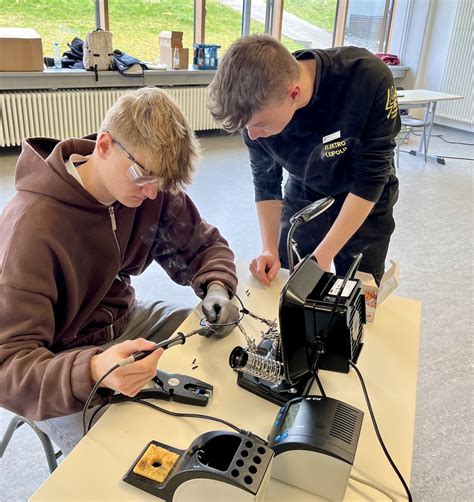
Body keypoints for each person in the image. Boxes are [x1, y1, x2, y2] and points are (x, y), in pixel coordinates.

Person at [0, 87, 239, 455]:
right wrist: (92, 370)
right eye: (143, 177)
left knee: (211, 345)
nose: (150, 195)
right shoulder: (31, 229)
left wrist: (218, 286)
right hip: (60, 361)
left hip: (125, 322)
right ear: (106, 145)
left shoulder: (150, 187)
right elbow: (8, 366)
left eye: (159, 184)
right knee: (127, 457)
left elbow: (203, 246)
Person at [208, 35, 401, 286]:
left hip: (365, 193)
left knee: (358, 290)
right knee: (288, 279)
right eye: (247, 129)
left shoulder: (367, 78)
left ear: (294, 93)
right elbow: (266, 180)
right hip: (305, 187)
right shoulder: (255, 116)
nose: (253, 136)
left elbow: (370, 178)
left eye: (260, 126)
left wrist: (323, 255)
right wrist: (268, 249)